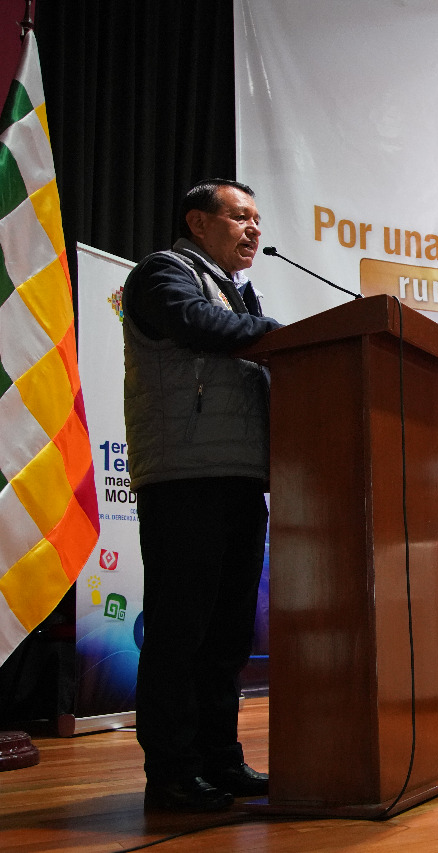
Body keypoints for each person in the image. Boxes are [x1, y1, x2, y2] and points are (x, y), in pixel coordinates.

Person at [124, 179, 281, 813]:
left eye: (257, 219)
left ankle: (221, 759)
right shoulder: (163, 273)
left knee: (227, 636)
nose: (253, 229)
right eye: (240, 216)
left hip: (241, 476)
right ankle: (171, 770)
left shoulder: (237, 293)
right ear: (197, 221)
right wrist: (276, 334)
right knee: (180, 631)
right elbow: (196, 324)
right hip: (184, 477)